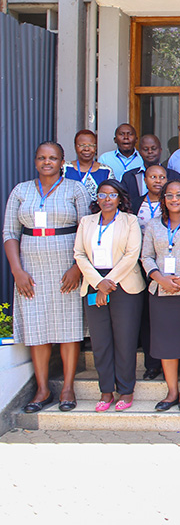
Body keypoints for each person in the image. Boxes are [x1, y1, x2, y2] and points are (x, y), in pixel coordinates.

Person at [4, 142, 90, 413]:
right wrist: (17, 271)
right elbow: (10, 233)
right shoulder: (21, 190)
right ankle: (42, 390)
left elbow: (86, 230)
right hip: (31, 269)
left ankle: (67, 388)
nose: (47, 162)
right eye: (42, 158)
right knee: (37, 327)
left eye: (53, 158)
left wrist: (77, 267)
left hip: (66, 266)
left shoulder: (75, 189)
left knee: (68, 327)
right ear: (35, 161)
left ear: (62, 162)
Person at [74, 179, 145, 412]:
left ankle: (126, 390)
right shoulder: (87, 222)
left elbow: (132, 254)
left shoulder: (130, 221)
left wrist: (108, 283)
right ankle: (106, 390)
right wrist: (98, 283)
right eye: (102, 194)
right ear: (97, 198)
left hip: (124, 285)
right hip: (94, 283)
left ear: (120, 198)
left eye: (112, 195)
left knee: (124, 340)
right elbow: (79, 254)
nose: (107, 199)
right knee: (100, 341)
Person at [140, 180, 180, 412]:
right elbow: (146, 256)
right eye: (169, 195)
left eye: (179, 195)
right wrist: (160, 279)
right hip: (160, 291)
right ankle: (171, 392)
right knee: (165, 343)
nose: (174, 199)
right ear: (163, 199)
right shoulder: (153, 224)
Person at [134, 164, 168, 381]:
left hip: (169, 269)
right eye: (153, 177)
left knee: (168, 318)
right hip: (140, 266)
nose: (157, 181)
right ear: (145, 180)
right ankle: (152, 364)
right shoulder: (135, 204)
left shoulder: (174, 202)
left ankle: (173, 360)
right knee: (147, 317)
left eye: (162, 177)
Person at [122, 134, 180, 210]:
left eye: (154, 149)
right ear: (139, 152)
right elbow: (124, 202)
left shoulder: (174, 176)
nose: (150, 152)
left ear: (160, 150)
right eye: (145, 149)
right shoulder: (129, 177)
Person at [65, 129, 115, 201]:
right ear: (75, 146)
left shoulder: (106, 171)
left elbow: (112, 196)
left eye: (91, 145)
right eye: (82, 145)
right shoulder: (65, 168)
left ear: (96, 147)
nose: (86, 149)